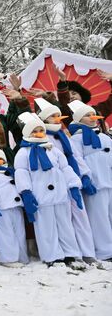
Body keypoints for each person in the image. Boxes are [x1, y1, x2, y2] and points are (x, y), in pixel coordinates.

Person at [14, 112, 83, 267]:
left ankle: (70, 253)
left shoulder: (53, 150)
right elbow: (21, 173)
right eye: (35, 131)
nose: (39, 134)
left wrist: (73, 186)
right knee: (46, 228)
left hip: (60, 195)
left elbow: (65, 169)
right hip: (41, 197)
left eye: (41, 130)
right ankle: (52, 255)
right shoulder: (23, 152)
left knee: (65, 225)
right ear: (27, 133)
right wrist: (26, 193)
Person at [34, 98, 98, 264]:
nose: (57, 118)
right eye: (53, 116)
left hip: (72, 180)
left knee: (80, 217)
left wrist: (84, 175)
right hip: (56, 185)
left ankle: (86, 252)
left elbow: (75, 156)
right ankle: (64, 253)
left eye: (58, 115)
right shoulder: (41, 137)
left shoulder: (63, 135)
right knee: (62, 221)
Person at [67, 100, 112, 261]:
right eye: (87, 115)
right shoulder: (76, 140)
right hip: (95, 184)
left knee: (110, 214)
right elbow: (77, 160)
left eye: (93, 114)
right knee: (99, 218)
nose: (92, 117)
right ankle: (104, 250)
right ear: (79, 119)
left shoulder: (105, 137)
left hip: (109, 182)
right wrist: (85, 178)